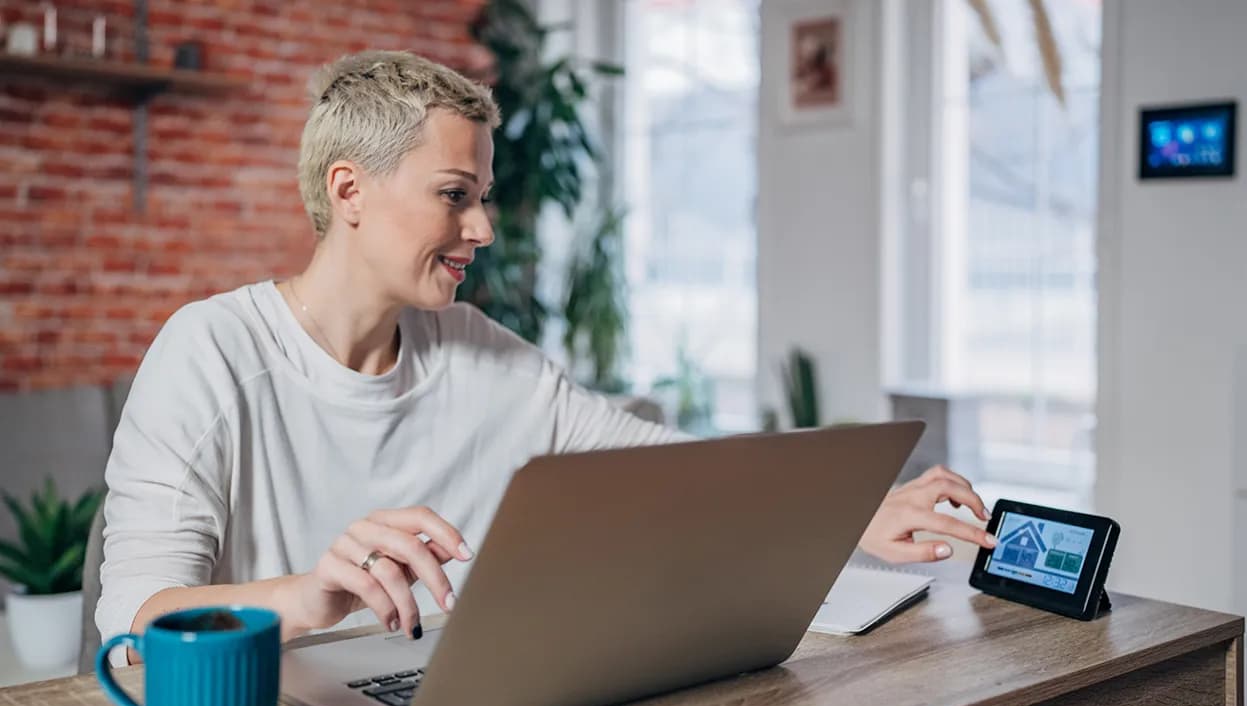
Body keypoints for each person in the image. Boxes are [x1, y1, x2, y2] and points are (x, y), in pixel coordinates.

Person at [95, 50, 995, 665]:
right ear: (349, 190)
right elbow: (132, 631)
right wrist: (311, 597)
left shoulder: (480, 353)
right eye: (455, 195)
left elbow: (671, 466)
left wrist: (853, 507)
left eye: (483, 197)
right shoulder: (211, 354)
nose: (482, 228)